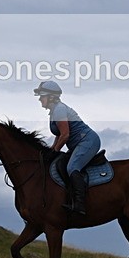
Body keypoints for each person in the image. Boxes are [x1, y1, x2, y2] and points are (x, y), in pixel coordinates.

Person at [34, 81, 101, 216]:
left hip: (88, 141)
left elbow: (65, 135)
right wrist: (52, 149)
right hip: (79, 143)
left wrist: (55, 150)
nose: (40, 99)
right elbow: (59, 135)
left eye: (42, 95)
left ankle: (80, 205)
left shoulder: (59, 109)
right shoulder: (54, 112)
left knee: (72, 167)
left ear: (51, 97)